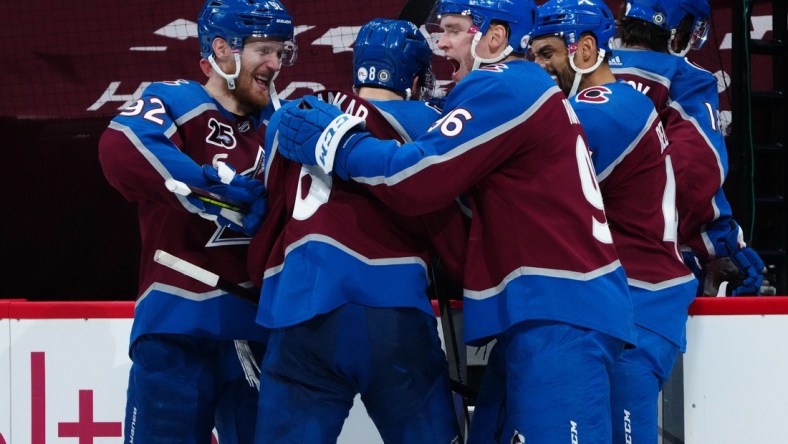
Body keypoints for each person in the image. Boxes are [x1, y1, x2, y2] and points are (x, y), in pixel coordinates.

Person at [270, 0, 639, 442]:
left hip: (559, 314)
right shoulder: (515, 90)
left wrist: (337, 141)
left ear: (494, 38)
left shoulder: (506, 84)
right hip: (542, 311)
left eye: (452, 29)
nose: (441, 42)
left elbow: (418, 178)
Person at [247, 18, 467, 443]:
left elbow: (268, 213)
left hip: (298, 313)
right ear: (417, 78)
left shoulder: (292, 115)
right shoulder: (430, 121)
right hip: (390, 312)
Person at [97, 0, 296, 442]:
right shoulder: (175, 99)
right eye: (263, 49)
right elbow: (121, 147)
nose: (274, 63)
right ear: (222, 49)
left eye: (281, 52)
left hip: (258, 334)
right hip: (177, 325)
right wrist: (212, 191)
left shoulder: (282, 127)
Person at [526, 1, 698, 443]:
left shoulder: (601, 109)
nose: (539, 68)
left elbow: (530, 192)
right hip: (635, 302)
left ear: (584, 50)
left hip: (639, 304)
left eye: (548, 55)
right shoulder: (617, 100)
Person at [611, 0, 765, 296]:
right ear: (675, 28)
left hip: (577, 254)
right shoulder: (685, 78)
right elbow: (694, 174)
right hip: (650, 260)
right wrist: (721, 244)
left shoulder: (586, 70)